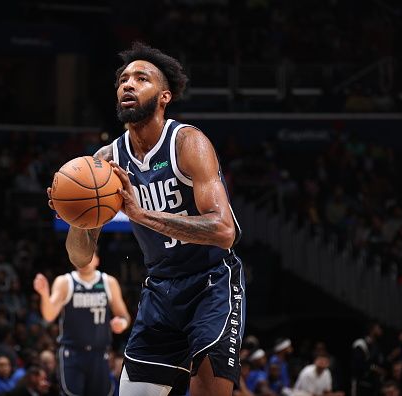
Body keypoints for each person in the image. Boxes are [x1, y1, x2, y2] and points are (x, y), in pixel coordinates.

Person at [46, 42, 244, 396]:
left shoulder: (187, 143)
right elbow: (80, 257)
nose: (128, 84)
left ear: (164, 96)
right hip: (160, 290)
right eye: (123, 79)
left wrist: (141, 214)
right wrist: (75, 214)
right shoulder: (106, 161)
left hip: (211, 285)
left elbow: (224, 231)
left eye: (141, 78)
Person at [33, 253, 131, 396]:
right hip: (73, 353)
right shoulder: (65, 282)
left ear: (97, 259)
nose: (84, 260)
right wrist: (44, 294)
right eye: (81, 255)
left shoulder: (108, 282)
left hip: (100, 353)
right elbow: (49, 316)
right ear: (74, 260)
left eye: (89, 255)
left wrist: (122, 323)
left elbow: (124, 316)